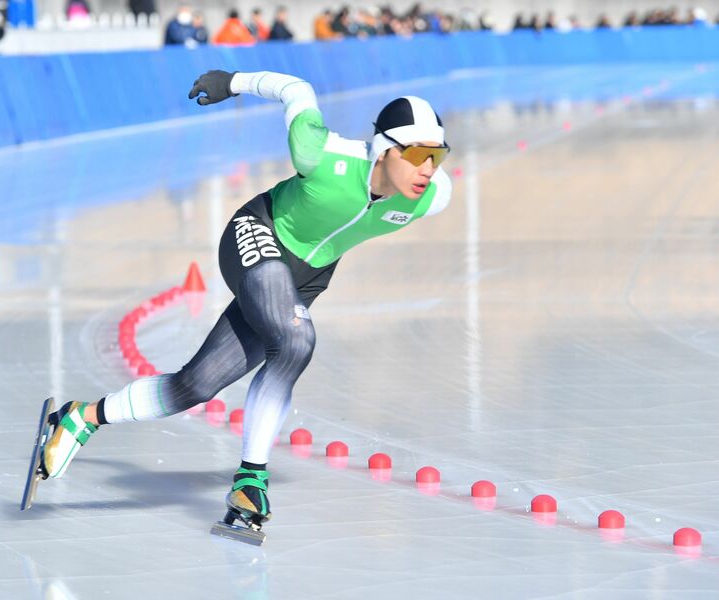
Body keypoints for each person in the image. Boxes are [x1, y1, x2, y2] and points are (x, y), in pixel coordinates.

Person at [35, 69, 452, 538]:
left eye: (437, 156)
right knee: (296, 339)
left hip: (304, 279)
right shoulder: (321, 154)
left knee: (195, 385)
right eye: (416, 154)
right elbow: (296, 90)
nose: (428, 169)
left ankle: (81, 417)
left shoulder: (433, 196)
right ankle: (250, 481)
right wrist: (231, 81)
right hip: (258, 231)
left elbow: (426, 183)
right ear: (383, 149)